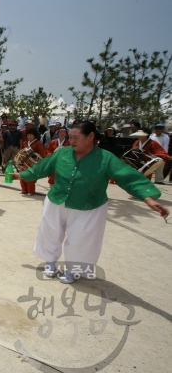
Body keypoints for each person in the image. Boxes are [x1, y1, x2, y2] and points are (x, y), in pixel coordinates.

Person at [11, 121, 168, 284]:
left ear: (91, 136)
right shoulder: (62, 154)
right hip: (57, 200)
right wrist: (23, 175)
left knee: (81, 239)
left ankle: (73, 270)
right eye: (70, 137)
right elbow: (42, 167)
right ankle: (50, 263)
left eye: (76, 137)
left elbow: (127, 176)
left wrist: (148, 198)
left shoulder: (105, 158)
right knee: (50, 232)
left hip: (88, 206)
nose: (71, 141)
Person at [20, 128, 49, 196]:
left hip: (33, 163)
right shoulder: (25, 143)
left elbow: (42, 153)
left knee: (31, 177)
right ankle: (24, 189)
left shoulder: (38, 143)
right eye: (28, 135)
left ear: (34, 136)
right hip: (24, 162)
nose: (29, 137)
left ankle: (31, 191)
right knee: (22, 176)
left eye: (31, 135)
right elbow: (21, 151)